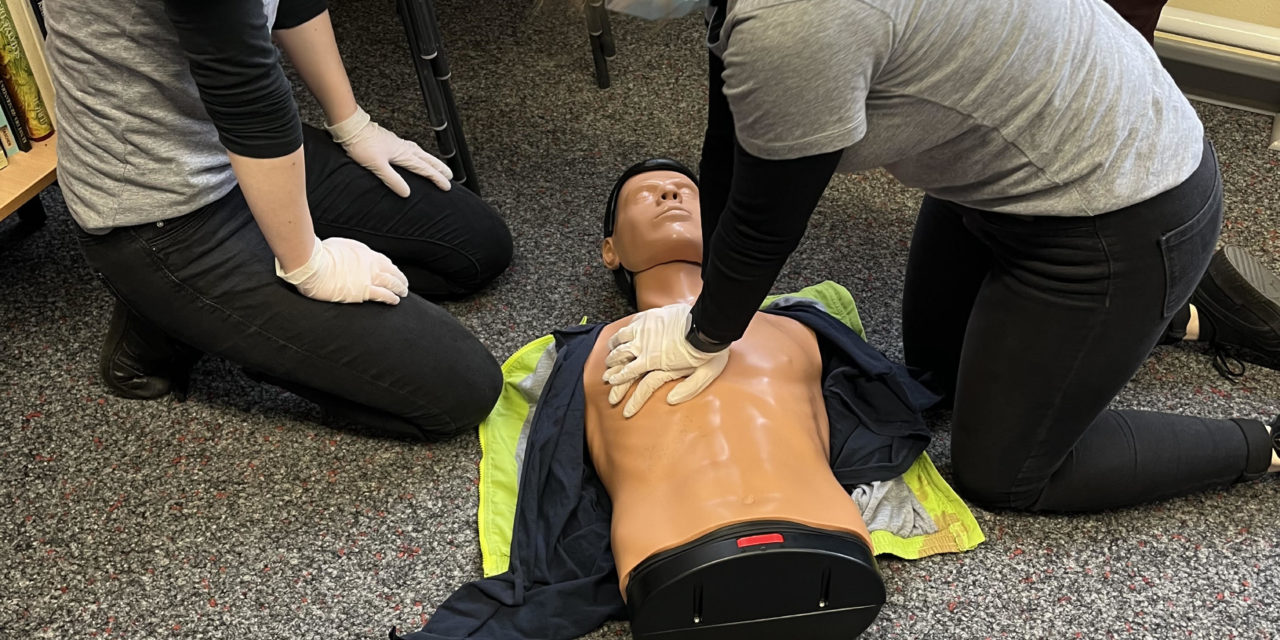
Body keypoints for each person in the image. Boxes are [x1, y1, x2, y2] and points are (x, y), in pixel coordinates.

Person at [601, 0, 1280, 512]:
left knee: (1006, 474)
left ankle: (1265, 441)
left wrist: (706, 333)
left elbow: (764, 218)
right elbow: (734, 143)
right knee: (932, 378)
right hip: (1006, 183)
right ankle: (1178, 312)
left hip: (1123, 210)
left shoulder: (794, 25)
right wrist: (703, 308)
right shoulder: (758, 15)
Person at [395, 159, 950, 640]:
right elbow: (557, 479)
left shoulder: (799, 323)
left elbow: (879, 408)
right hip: (675, 565)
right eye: (645, 194)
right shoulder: (587, 351)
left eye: (688, 191)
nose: (669, 193)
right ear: (610, 250)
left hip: (828, 547)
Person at [43, 0, 513, 439]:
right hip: (160, 209)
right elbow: (243, 90)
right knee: (463, 390)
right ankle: (164, 322)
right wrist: (308, 263)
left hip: (241, 152)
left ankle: (227, 308)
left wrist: (353, 124)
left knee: (476, 248)